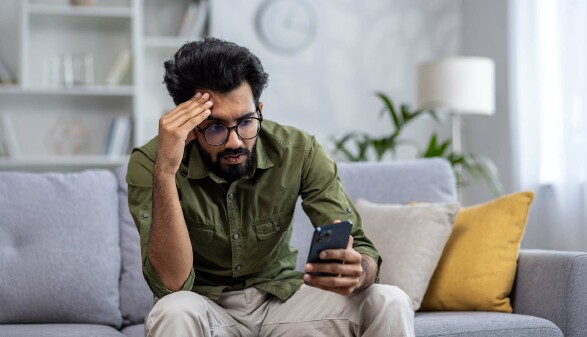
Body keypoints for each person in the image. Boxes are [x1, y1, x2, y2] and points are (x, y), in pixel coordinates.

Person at [126, 37, 414, 337]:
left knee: (389, 300)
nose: (234, 141)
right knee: (172, 309)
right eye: (214, 127)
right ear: (188, 125)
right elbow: (171, 284)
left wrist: (359, 271)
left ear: (260, 109)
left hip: (284, 304)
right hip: (206, 309)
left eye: (247, 121)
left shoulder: (298, 150)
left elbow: (360, 247)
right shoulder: (152, 162)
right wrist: (165, 171)